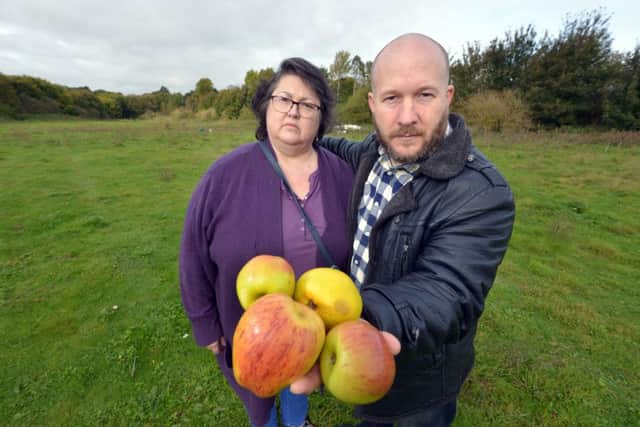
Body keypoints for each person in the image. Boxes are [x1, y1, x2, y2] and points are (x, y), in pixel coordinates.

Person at [291, 33, 516, 426]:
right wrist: (295, 138)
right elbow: (337, 147)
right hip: (360, 355)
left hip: (420, 380)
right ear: (373, 105)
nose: (407, 116)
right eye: (393, 98)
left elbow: (446, 289)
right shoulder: (372, 153)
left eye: (424, 95)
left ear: (448, 96)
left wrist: (365, 323)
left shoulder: (482, 193)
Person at [179, 57, 355, 427]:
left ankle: (296, 420)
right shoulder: (224, 175)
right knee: (258, 390)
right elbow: (192, 254)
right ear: (267, 106)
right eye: (284, 99)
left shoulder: (341, 174)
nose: (294, 111)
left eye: (307, 104)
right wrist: (205, 324)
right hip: (247, 326)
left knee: (299, 382)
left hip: (312, 324)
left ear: (321, 117)